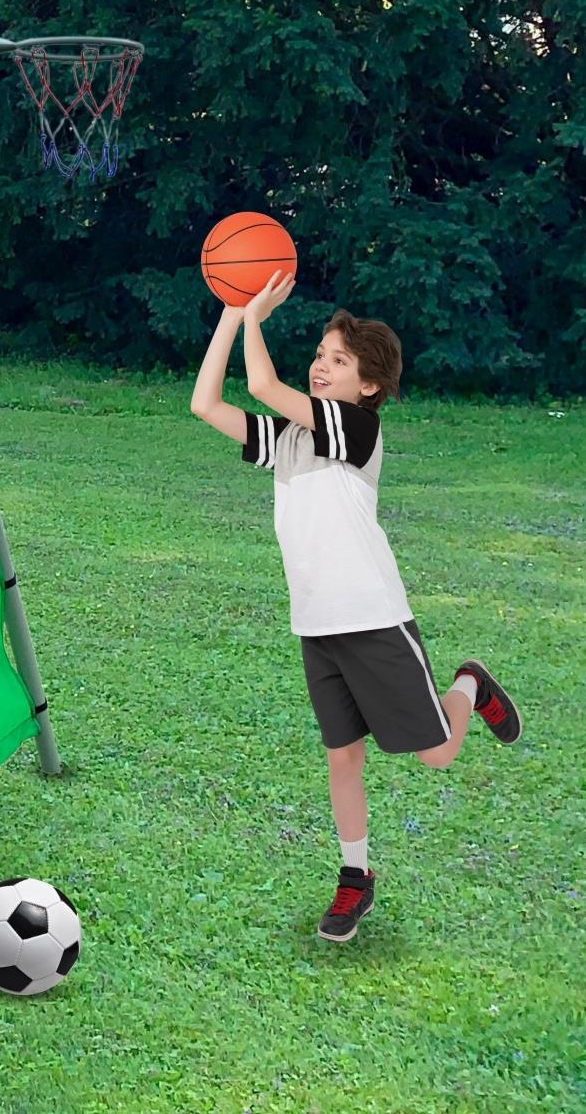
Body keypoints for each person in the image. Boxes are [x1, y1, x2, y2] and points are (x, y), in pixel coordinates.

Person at [189, 270, 521, 942]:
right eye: (318, 354)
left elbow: (259, 386)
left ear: (368, 385)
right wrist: (229, 313)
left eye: (337, 360)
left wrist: (256, 315)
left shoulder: (356, 429)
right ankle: (355, 876)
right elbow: (206, 404)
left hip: (373, 619)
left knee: (435, 755)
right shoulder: (289, 438)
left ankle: (468, 682)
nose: (319, 366)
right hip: (317, 627)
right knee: (343, 757)